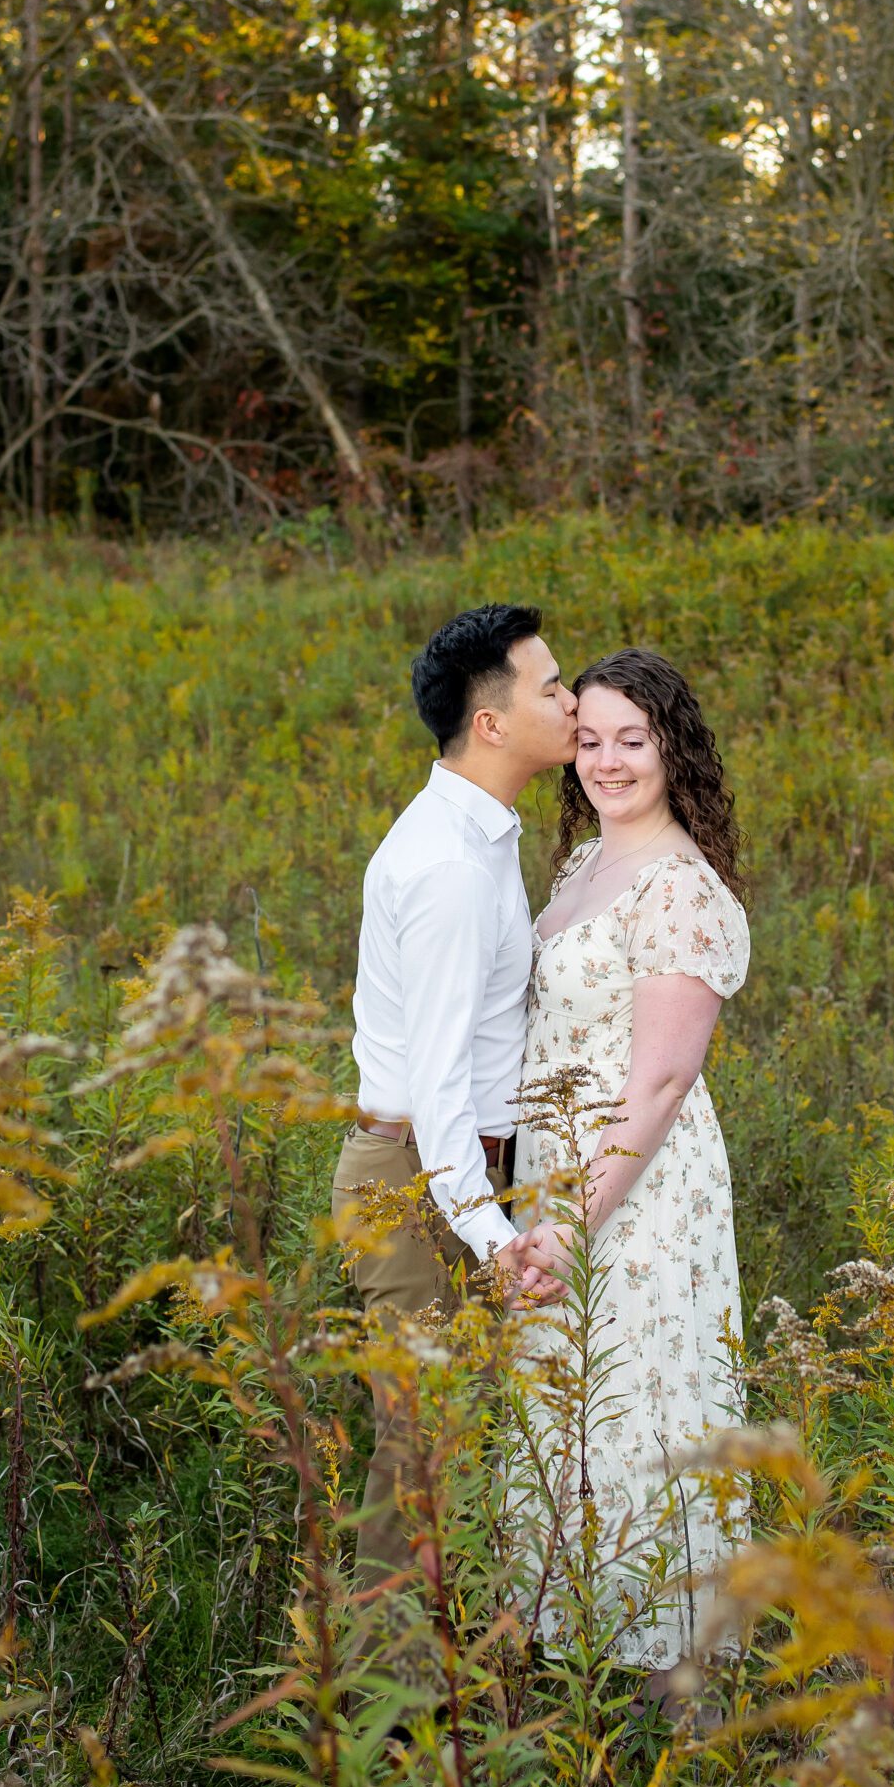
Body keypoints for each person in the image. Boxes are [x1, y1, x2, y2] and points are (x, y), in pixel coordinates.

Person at [511, 648, 750, 1690]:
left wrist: (571, 1220)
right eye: (592, 738)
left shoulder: (680, 887)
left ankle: (677, 1706)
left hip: (633, 1190)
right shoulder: (582, 864)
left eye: (633, 740)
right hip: (554, 1172)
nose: (608, 760)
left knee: (645, 1411)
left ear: (672, 748)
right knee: (567, 1416)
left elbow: (657, 1082)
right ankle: (577, 1683)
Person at [333, 601, 577, 1577]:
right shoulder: (445, 866)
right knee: (421, 1459)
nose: (571, 698)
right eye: (551, 685)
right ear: (491, 722)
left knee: (457, 1450)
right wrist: (493, 1235)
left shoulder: (480, 836)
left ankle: (456, 1701)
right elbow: (436, 1080)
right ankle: (382, 1717)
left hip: (452, 1173)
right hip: (419, 1182)